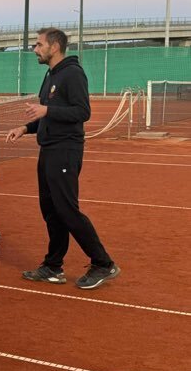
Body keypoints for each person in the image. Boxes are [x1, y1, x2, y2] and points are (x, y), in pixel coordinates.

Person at [6, 27, 120, 290]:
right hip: (48, 149)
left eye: (38, 45)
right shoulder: (51, 74)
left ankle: (103, 263)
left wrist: (46, 109)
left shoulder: (72, 73)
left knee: (67, 209)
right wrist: (26, 128)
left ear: (54, 46)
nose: (35, 49)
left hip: (65, 151)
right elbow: (49, 114)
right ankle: (53, 266)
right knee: (50, 209)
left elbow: (82, 112)